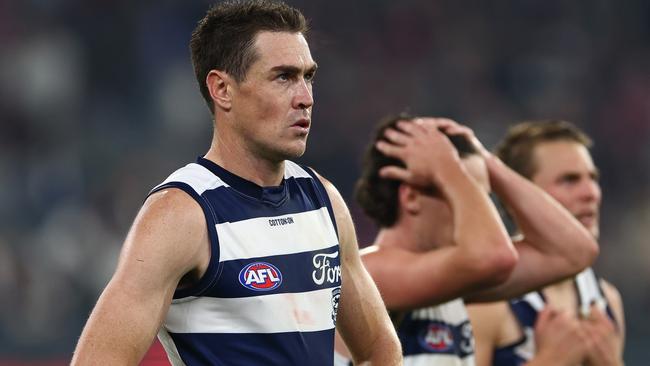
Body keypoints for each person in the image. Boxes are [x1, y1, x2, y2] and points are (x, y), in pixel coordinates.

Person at [71, 1, 401, 365]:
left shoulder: (323, 199)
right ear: (222, 89)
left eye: (308, 77)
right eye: (283, 77)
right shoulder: (182, 214)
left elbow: (379, 349)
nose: (305, 98)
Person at [334, 116, 599, 365]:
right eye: (463, 191)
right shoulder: (371, 273)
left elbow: (574, 252)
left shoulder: (450, 282)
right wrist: (451, 169)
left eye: (483, 196)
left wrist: (486, 159)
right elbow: (494, 257)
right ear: (411, 198)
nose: (480, 211)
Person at [467, 120, 625, 366]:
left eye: (592, 178)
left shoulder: (607, 299)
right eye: (569, 180)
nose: (591, 193)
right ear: (520, 195)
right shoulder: (486, 300)